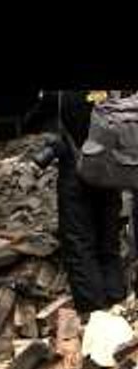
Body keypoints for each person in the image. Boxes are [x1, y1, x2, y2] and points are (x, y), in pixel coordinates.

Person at [26, 90, 125, 314]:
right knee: (108, 239)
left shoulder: (60, 94)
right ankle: (117, 300)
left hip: (76, 170)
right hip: (109, 169)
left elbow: (32, 120)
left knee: (80, 242)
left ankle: (94, 310)